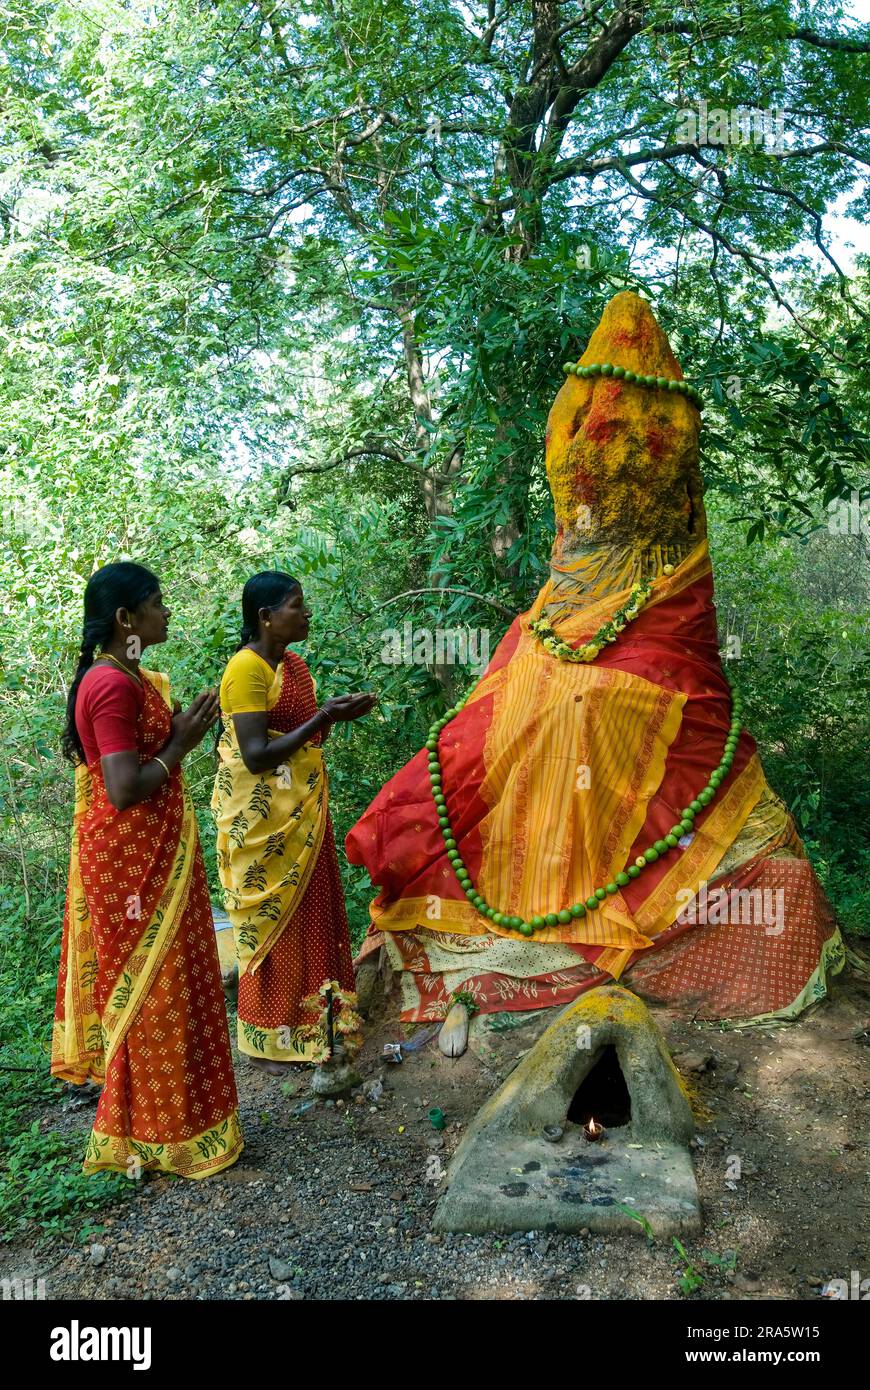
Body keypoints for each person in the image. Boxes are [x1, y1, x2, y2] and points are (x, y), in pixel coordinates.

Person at [53, 562, 243, 1178]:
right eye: (157, 604)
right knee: (153, 989)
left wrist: (177, 731)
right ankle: (160, 1133)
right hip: (130, 862)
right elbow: (125, 788)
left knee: (178, 979)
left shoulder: (132, 675)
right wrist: (183, 742)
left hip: (155, 853)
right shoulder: (112, 684)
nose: (167, 613)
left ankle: (186, 1122)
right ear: (125, 619)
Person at [212, 571, 375, 1071]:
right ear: (265, 617)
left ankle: (323, 1024)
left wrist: (330, 716)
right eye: (297, 606)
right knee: (273, 923)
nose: (306, 614)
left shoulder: (296, 666)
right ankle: (272, 1035)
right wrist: (325, 717)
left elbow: (302, 738)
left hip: (302, 810)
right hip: (263, 821)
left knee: (312, 912)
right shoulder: (246, 669)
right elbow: (257, 754)